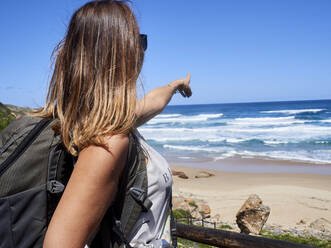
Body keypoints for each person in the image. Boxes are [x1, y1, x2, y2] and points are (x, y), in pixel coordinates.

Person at [37, 1, 192, 247]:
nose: (143, 50)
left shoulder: (99, 121)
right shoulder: (108, 143)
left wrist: (175, 86)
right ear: (121, 52)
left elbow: (152, 101)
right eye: (140, 41)